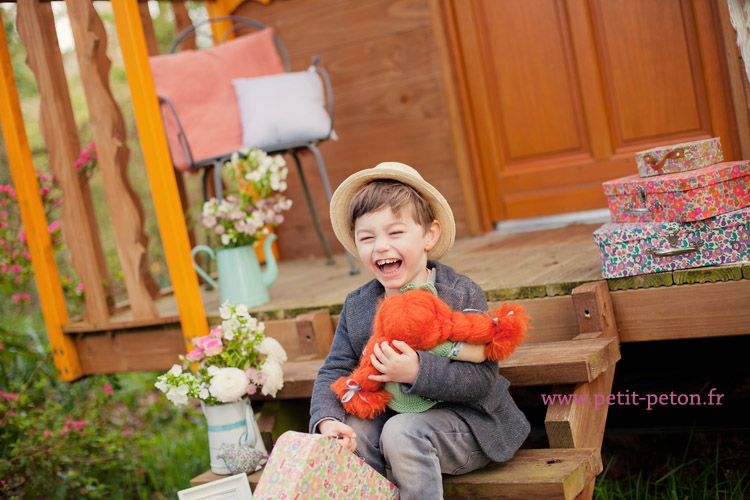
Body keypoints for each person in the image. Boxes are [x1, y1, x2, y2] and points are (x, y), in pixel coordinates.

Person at [309, 162, 529, 499]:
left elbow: (481, 378)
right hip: (395, 420)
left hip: (467, 426)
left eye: (395, 233)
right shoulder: (359, 305)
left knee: (401, 431)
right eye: (367, 237)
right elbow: (336, 369)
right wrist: (326, 419)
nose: (381, 246)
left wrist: (417, 371)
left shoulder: (459, 293)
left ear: (429, 235)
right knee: (357, 431)